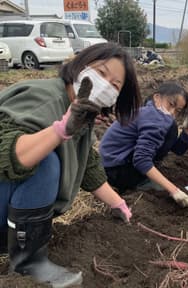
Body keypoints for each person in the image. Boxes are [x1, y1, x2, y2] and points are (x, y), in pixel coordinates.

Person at [0, 42, 141, 287]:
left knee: (53, 156)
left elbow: (87, 165)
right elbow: (7, 153)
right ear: (80, 65)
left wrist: (117, 203)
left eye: (115, 85)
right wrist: (59, 131)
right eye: (100, 72)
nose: (105, 84)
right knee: (47, 161)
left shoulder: (79, 111)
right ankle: (29, 263)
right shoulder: (45, 99)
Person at [99, 82, 188, 208]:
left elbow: (178, 150)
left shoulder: (162, 121)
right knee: (162, 193)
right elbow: (141, 159)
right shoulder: (153, 117)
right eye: (171, 104)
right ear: (157, 97)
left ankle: (141, 179)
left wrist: (187, 129)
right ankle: (136, 183)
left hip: (114, 165)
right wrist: (174, 191)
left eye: (177, 111)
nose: (172, 112)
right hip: (115, 168)